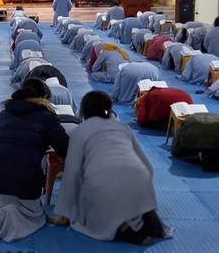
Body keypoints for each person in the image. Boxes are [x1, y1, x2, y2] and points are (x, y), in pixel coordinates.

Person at [50, 91, 172, 244]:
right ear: (109, 109)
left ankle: (123, 228)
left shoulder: (80, 131)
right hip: (140, 179)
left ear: (84, 110)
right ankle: (142, 217)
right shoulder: (122, 127)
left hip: (103, 184)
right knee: (127, 194)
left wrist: (65, 213)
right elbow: (148, 165)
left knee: (87, 205)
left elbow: (72, 174)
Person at [0, 78, 70, 242]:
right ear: (45, 98)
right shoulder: (47, 118)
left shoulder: (5, 114)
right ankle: (9, 214)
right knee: (35, 215)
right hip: (21, 183)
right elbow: (66, 149)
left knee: (0, 190)